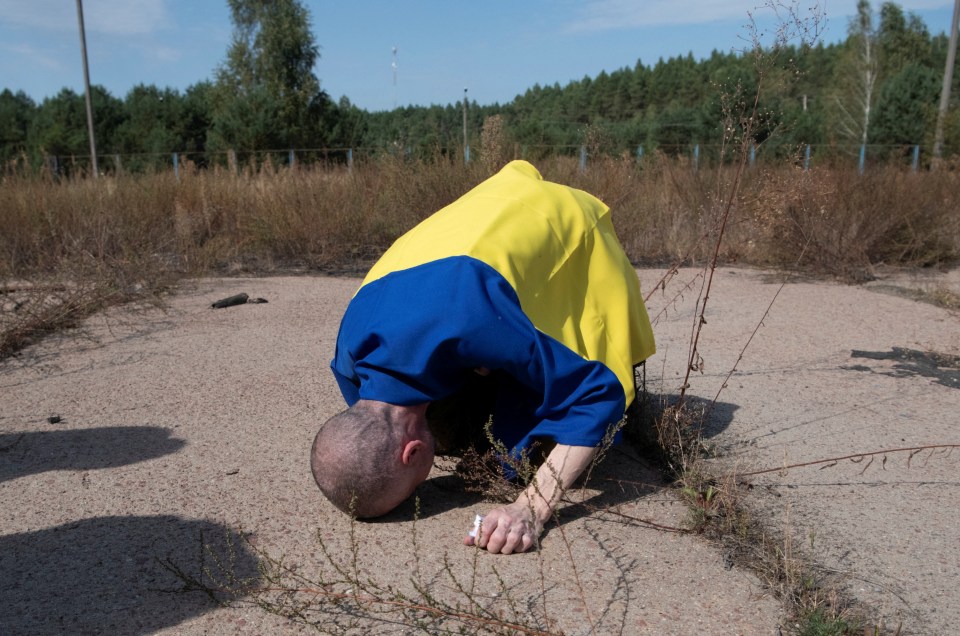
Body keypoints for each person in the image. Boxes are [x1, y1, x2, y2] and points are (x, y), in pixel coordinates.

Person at [311, 160, 655, 555]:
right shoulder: (347, 361)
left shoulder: (475, 321)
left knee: (580, 407)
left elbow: (599, 396)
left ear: (414, 452)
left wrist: (529, 508)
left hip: (566, 220)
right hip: (470, 236)